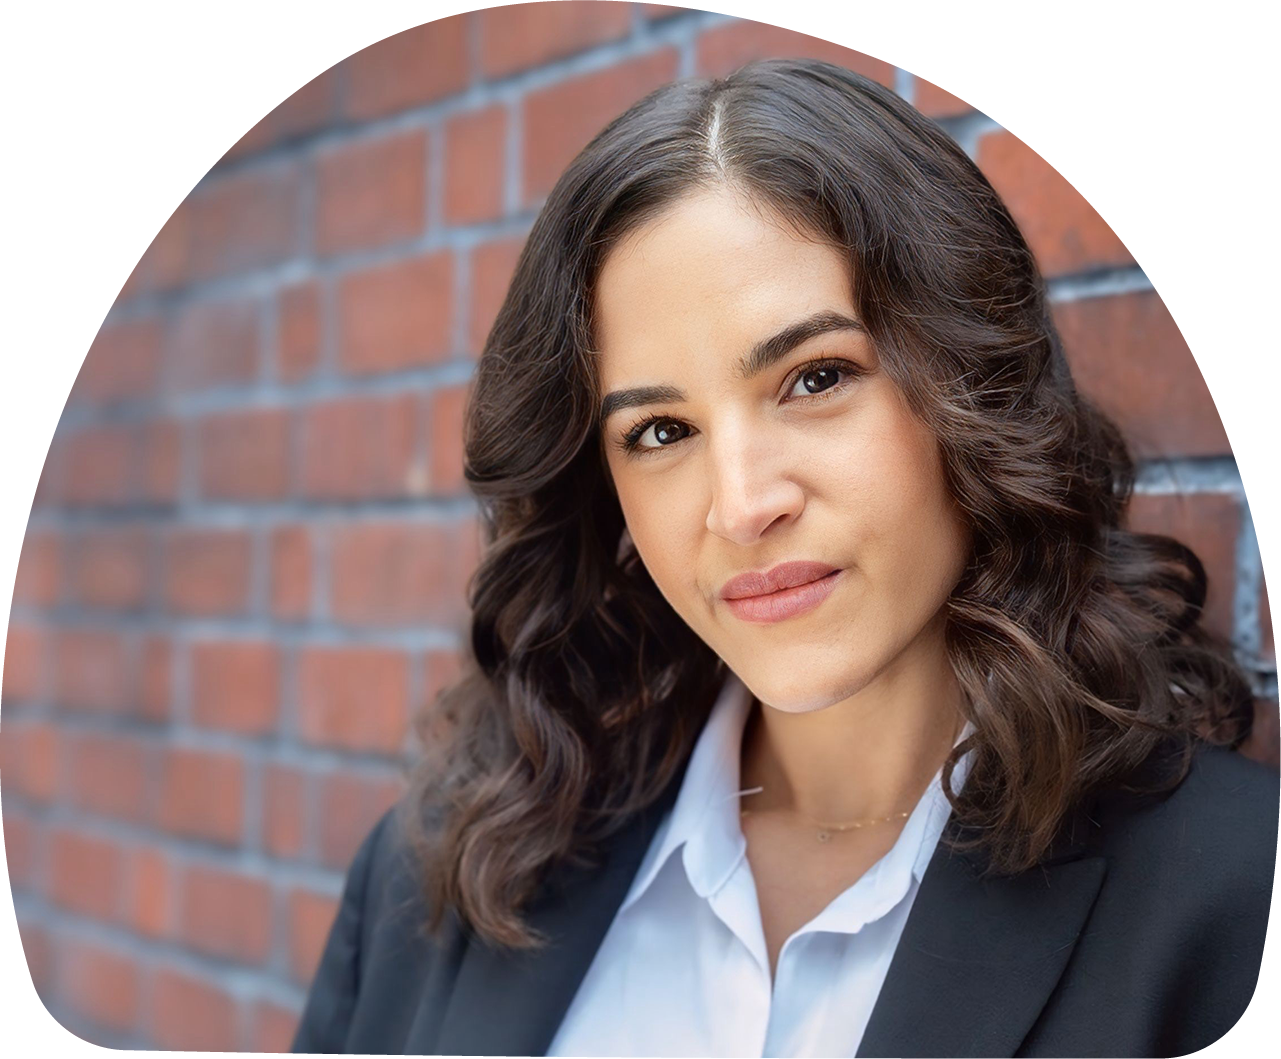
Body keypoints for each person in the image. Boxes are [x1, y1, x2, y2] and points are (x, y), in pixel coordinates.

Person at [286, 57, 1281, 1059]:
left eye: (815, 379)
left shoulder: (1240, 906)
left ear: (971, 386)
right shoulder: (433, 878)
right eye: (661, 433)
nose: (744, 505)